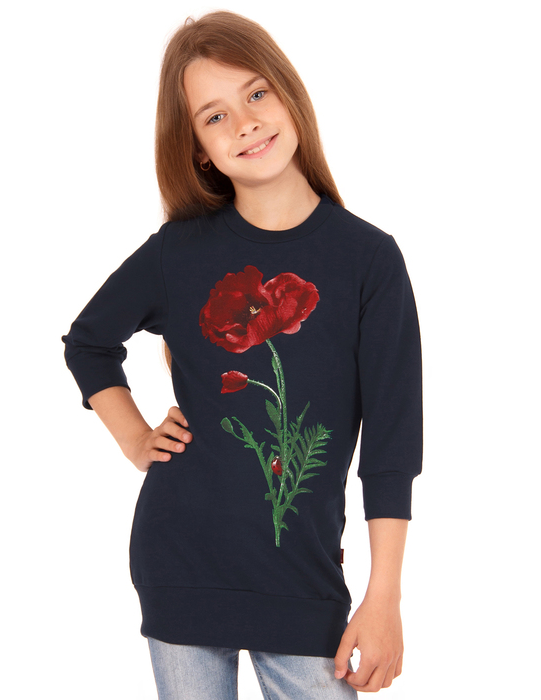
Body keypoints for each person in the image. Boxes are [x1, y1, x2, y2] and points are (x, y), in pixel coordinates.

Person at [61, 10, 423, 699]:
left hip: (304, 585)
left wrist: (384, 598)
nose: (246, 123)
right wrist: (135, 438)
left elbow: (392, 445)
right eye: (215, 116)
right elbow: (88, 343)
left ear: (289, 94)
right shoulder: (178, 253)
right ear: (199, 149)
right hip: (181, 565)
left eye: (256, 94)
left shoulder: (369, 260)